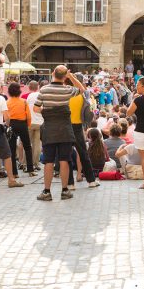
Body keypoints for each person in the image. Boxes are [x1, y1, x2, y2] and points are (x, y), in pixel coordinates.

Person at [34, 66, 84, 201]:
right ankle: (65, 190)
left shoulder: (44, 90)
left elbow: (36, 108)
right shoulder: (67, 90)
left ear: (53, 74)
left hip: (49, 130)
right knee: (64, 161)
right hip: (65, 130)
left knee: (48, 162)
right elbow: (82, 89)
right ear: (65, 77)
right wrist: (72, 77)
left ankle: (47, 191)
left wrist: (48, 110)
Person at [68, 73, 99, 188]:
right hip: (77, 126)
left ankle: (70, 183)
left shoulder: (64, 93)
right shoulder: (84, 94)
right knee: (83, 154)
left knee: (66, 155)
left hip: (66, 126)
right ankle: (91, 181)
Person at [7, 82, 36, 178]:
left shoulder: (7, 102)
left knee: (12, 149)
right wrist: (27, 125)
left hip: (12, 124)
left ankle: (14, 173)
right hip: (23, 124)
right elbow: (28, 116)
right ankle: (30, 170)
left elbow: (6, 117)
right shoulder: (23, 101)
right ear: (19, 91)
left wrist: (8, 125)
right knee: (27, 147)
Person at [25, 80, 43, 171]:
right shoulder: (41, 95)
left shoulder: (29, 96)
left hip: (30, 122)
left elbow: (27, 108)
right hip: (40, 122)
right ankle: (36, 163)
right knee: (37, 144)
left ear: (29, 87)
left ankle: (26, 163)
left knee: (28, 144)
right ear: (38, 87)